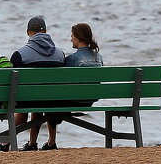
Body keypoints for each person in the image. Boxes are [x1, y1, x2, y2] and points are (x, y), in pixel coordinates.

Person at [0, 16, 64, 152]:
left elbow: (12, 84)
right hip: (50, 101)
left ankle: (2, 143)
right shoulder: (60, 55)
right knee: (39, 100)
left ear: (28, 32)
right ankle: (31, 143)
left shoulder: (20, 55)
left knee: (26, 99)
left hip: (24, 101)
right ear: (45, 31)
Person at [24, 22, 103, 151]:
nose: (70, 38)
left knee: (43, 98)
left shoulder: (72, 59)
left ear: (78, 37)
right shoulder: (99, 58)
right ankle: (50, 143)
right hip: (90, 100)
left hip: (73, 101)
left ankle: (35, 143)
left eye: (72, 35)